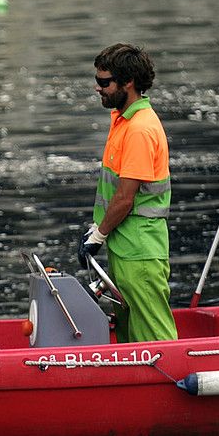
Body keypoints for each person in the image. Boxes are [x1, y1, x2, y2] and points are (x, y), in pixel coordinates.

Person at [79, 42, 178, 343]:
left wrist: (98, 236)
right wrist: (99, 229)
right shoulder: (122, 121)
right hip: (123, 246)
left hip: (141, 251)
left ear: (128, 82)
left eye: (104, 82)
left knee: (154, 334)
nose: (98, 88)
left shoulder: (139, 128)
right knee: (128, 334)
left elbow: (125, 197)